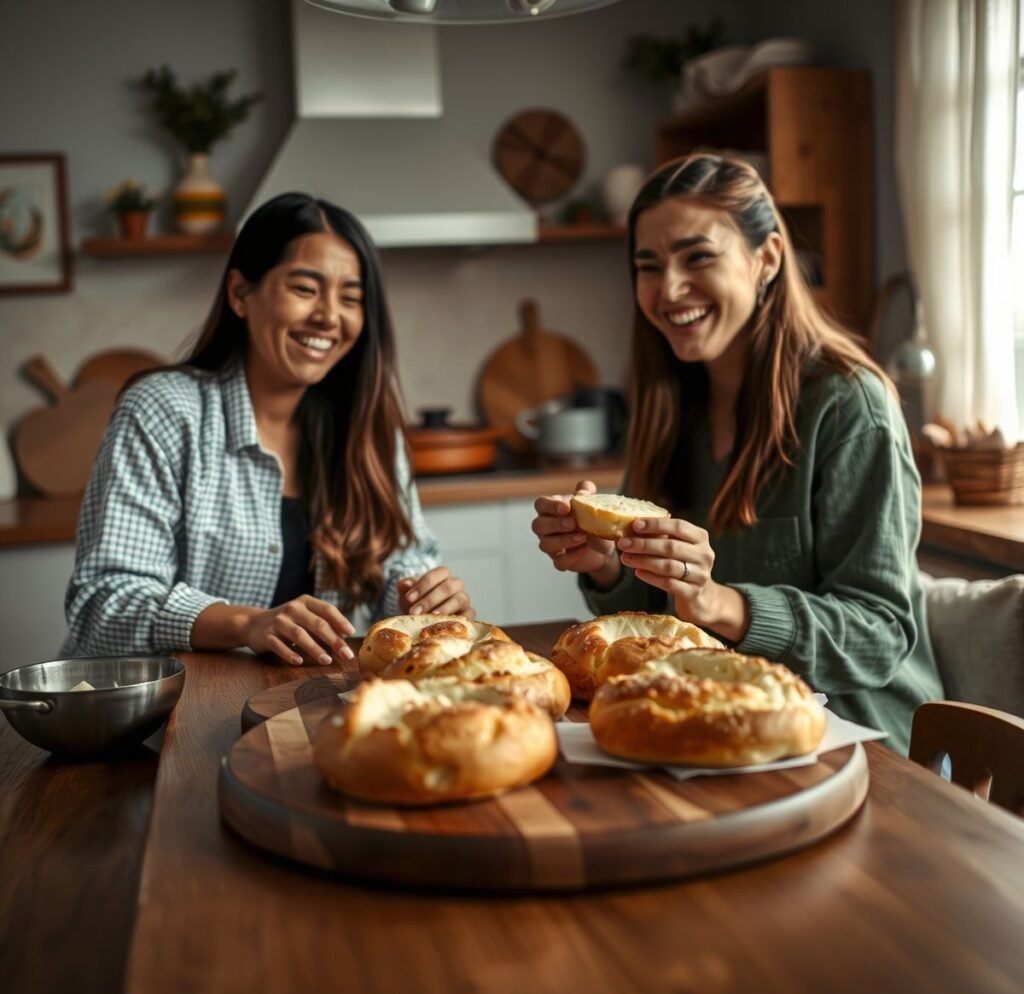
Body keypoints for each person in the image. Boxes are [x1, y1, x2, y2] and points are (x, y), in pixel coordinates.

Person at [530, 153, 942, 753]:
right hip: (718, 723)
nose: (669, 289)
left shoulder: (851, 404)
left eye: (698, 257)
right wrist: (607, 566)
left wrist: (724, 604)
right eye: (649, 266)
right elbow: (657, 614)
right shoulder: (673, 407)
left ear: (766, 258)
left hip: (865, 746)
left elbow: (879, 636)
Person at [65, 192, 472, 667]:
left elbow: (403, 562)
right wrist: (247, 622)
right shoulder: (163, 410)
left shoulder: (370, 428)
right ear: (240, 294)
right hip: (157, 717)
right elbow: (103, 605)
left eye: (350, 298)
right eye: (305, 288)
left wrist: (421, 600)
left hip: (301, 707)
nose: (329, 316)